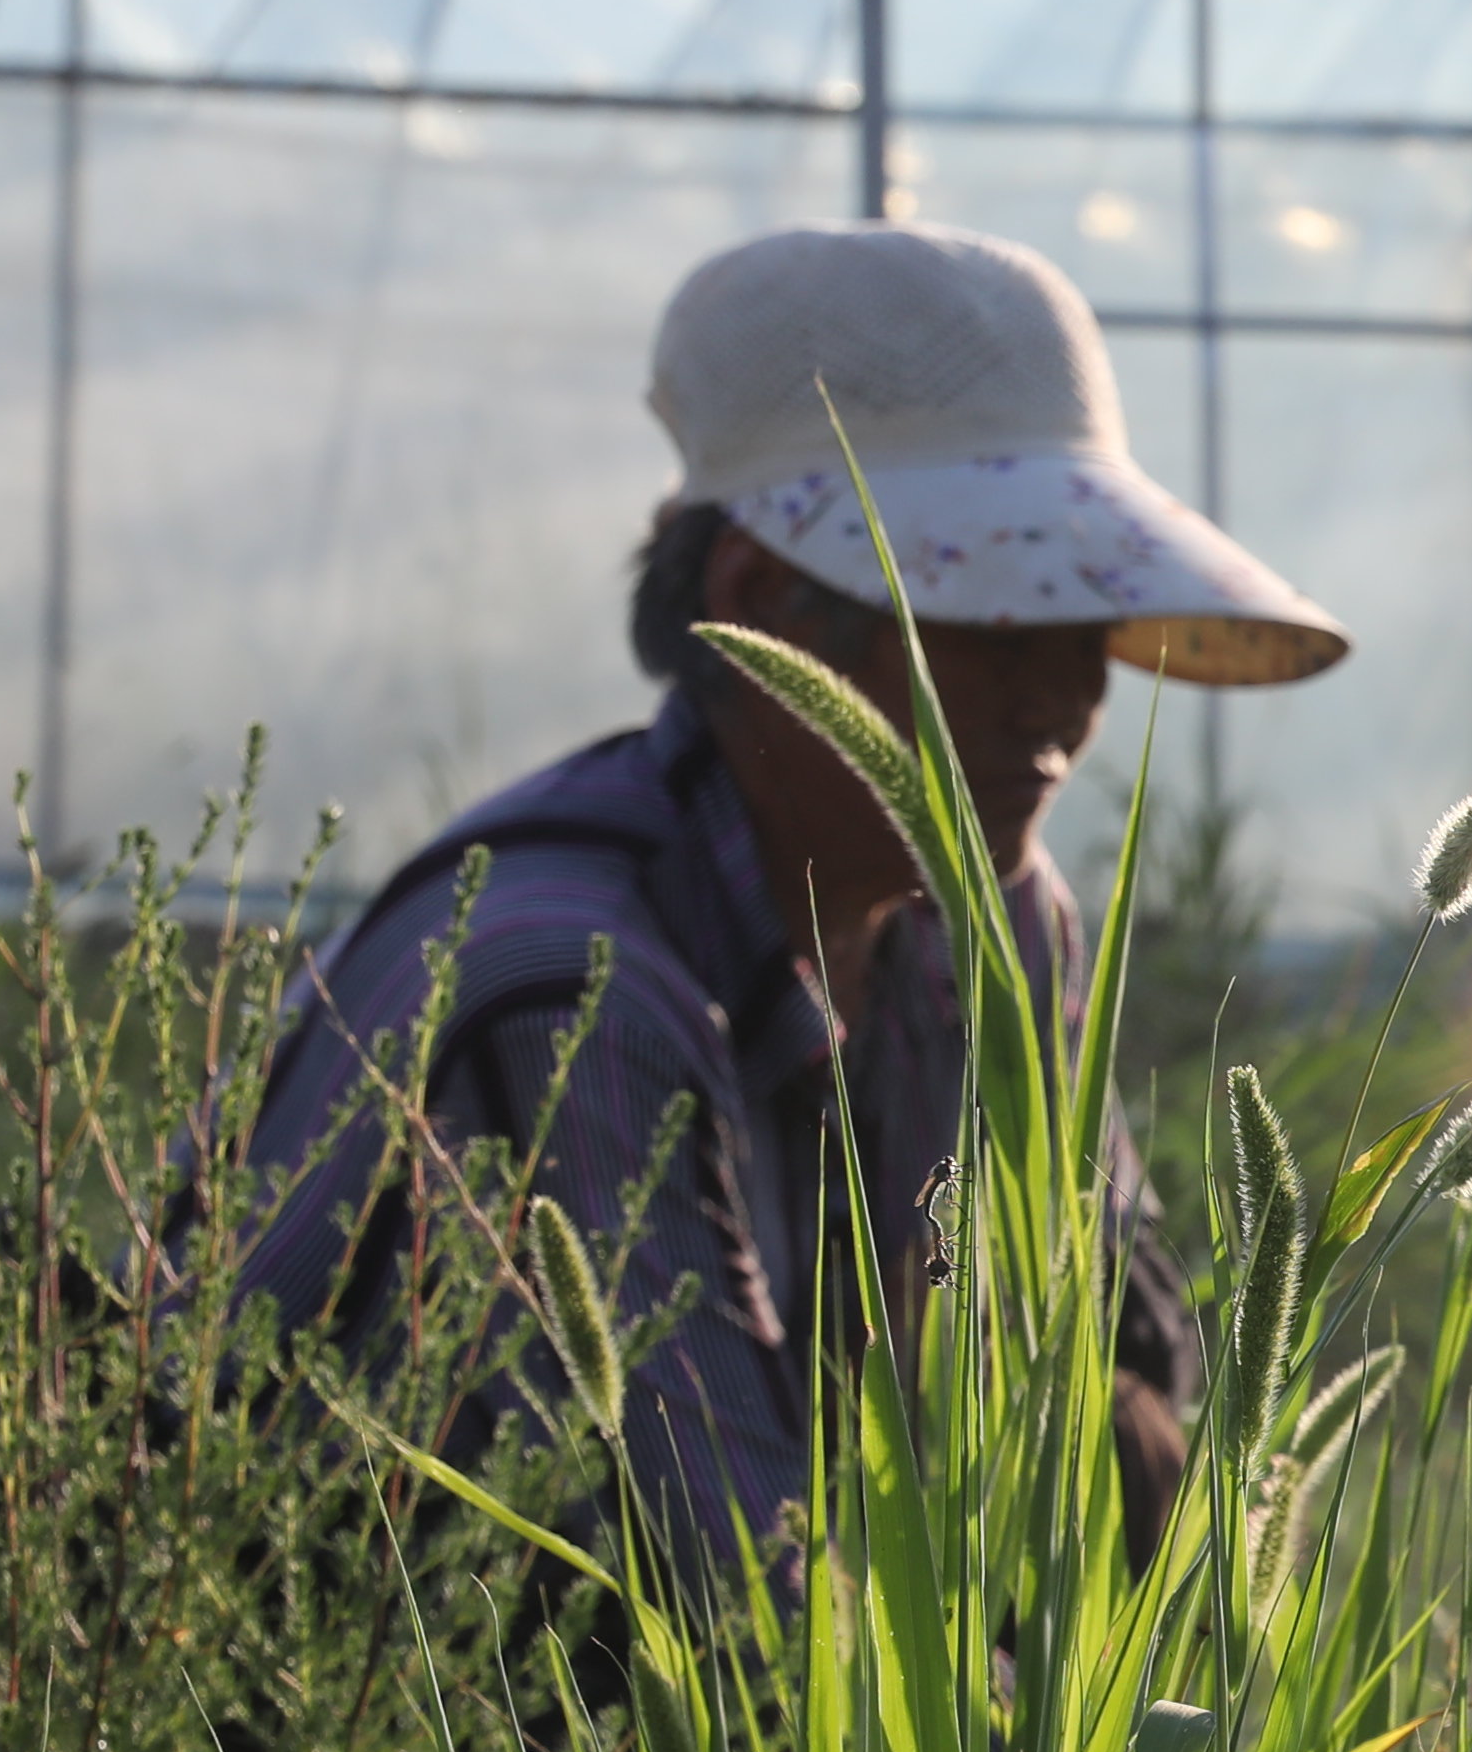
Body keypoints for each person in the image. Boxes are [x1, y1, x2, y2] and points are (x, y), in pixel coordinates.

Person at [211, 224, 1353, 1584]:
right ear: (763, 608)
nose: (1067, 702)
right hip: (373, 1747)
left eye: (1088, 618)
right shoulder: (577, 989)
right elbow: (730, 1609)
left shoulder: (995, 934)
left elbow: (1145, 1398)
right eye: (990, 618)